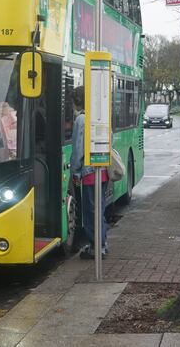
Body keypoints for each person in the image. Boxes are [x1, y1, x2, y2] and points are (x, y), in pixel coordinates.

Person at [69, 86, 108, 259]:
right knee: (99, 210)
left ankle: (96, 247)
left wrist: (75, 171)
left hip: (90, 173)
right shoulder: (99, 116)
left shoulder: (81, 120)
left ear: (77, 101)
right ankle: (102, 244)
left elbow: (78, 150)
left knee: (90, 212)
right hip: (103, 171)